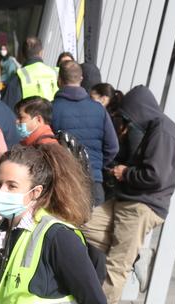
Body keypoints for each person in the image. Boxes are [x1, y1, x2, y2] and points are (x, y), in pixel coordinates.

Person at [0, 144, 108, 304]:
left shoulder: (57, 236)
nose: (0, 192)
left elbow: (95, 303)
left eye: (12, 186)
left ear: (36, 192)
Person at [81, 85, 175, 304]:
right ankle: (136, 253)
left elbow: (155, 176)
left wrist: (125, 173)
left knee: (116, 266)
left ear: (140, 110)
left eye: (129, 116)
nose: (128, 122)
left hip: (141, 205)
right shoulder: (154, 127)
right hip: (128, 198)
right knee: (81, 225)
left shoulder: (163, 133)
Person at [51, 61, 119, 206]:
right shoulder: (99, 110)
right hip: (94, 183)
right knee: (91, 227)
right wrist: (95, 163)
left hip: (64, 182)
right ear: (81, 79)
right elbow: (112, 147)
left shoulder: (52, 109)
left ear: (59, 81)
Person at [2, 37, 58, 109]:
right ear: (41, 53)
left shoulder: (19, 77)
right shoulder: (55, 73)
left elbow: (7, 110)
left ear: (23, 54)